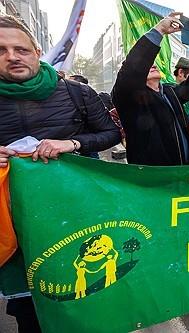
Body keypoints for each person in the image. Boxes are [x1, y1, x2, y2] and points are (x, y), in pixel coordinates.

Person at [0, 14, 120, 332]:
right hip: (15, 228)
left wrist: (71, 143)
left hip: (75, 218)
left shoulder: (76, 94)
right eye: (0, 50)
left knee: (84, 297)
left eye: (20, 49)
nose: (12, 56)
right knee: (30, 311)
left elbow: (111, 134)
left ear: (37, 50)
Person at [112, 12, 189, 166]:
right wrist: (159, 30)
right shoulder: (129, 97)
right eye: (147, 64)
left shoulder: (170, 91)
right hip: (156, 178)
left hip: (185, 169)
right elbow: (131, 70)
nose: (152, 64)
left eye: (154, 63)